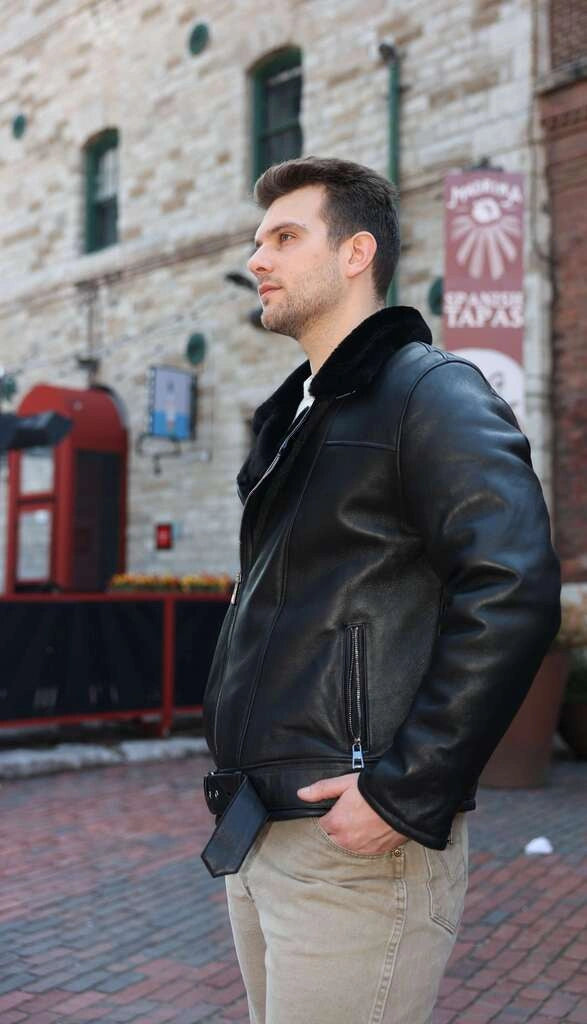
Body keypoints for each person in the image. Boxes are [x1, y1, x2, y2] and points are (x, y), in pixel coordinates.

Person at [202, 156, 561, 1024]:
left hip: (360, 842)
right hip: (261, 830)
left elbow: (510, 585)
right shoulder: (302, 417)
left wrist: (406, 791)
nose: (259, 258)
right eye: (257, 241)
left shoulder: (426, 391)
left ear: (357, 251)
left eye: (285, 237)